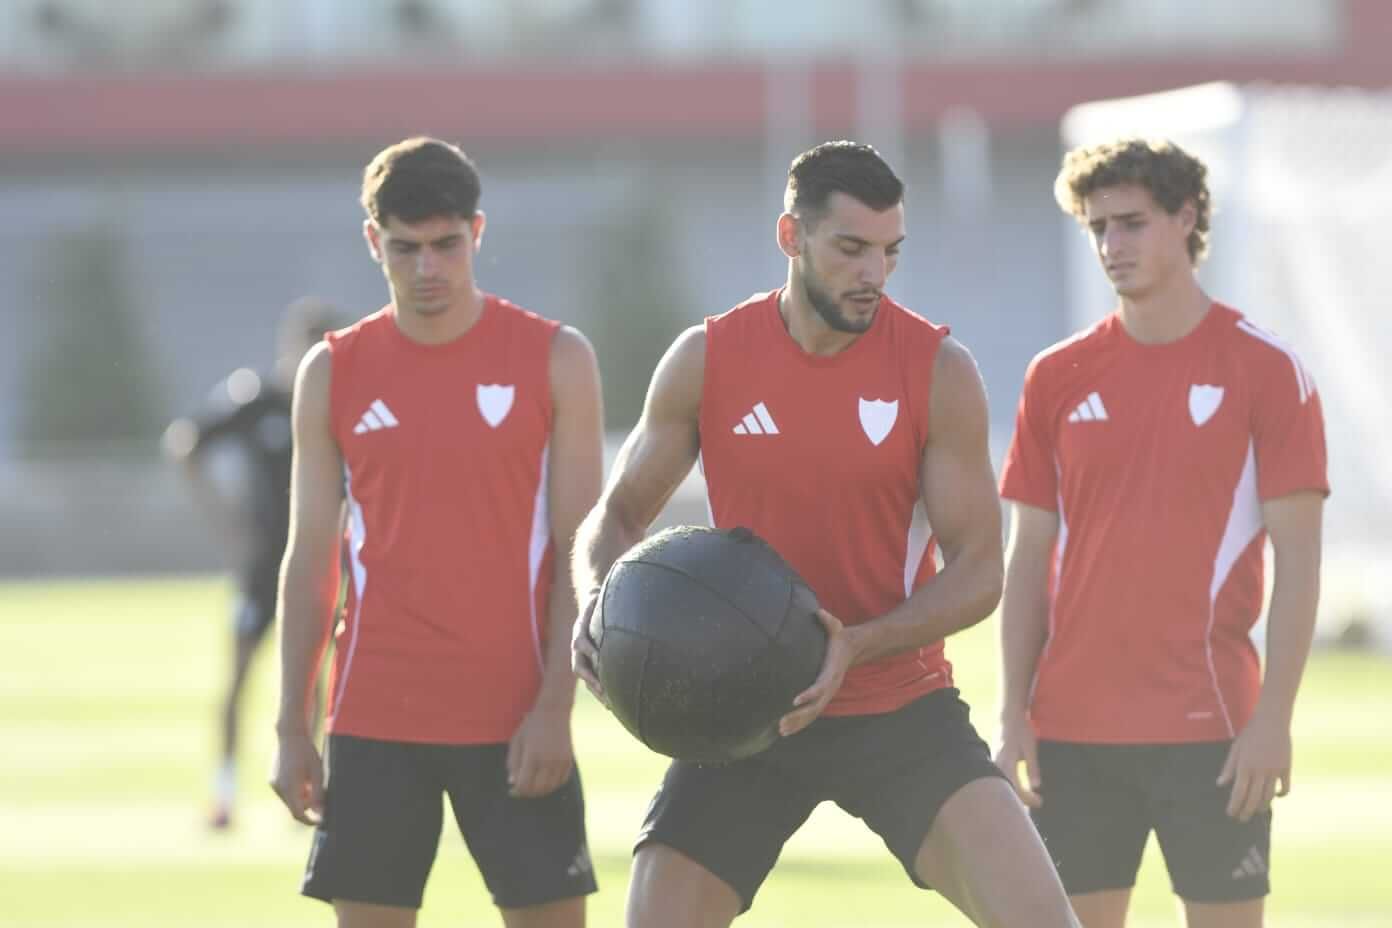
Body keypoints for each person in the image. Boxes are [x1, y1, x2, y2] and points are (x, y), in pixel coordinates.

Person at [571, 141, 1079, 928]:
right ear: (792, 237)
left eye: (889, 251)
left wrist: (856, 645)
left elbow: (981, 570)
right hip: (738, 705)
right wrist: (598, 602)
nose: (874, 272)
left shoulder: (937, 371)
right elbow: (615, 516)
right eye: (850, 248)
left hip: (897, 705)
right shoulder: (708, 359)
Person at [269, 137, 604, 928]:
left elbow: (583, 554)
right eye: (405, 247)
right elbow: (309, 558)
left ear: (477, 233)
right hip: (374, 714)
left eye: (447, 244)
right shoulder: (332, 371)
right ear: (373, 241)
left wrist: (556, 706)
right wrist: (291, 727)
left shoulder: (556, 358)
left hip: (516, 714)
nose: (428, 267)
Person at [995, 138, 1329, 928]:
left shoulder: (1266, 370)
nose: (1112, 245)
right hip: (1071, 731)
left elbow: (1301, 563)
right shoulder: (1055, 376)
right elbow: (1028, 556)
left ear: (1187, 218)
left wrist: (1273, 720)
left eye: (1132, 223)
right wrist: (1012, 715)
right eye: (1098, 227)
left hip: (1214, 730)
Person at [163, 296, 341, 829]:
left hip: (317, 564)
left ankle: (306, 788)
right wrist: (226, 522)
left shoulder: (338, 407)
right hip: (262, 565)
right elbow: (185, 444)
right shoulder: (257, 401)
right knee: (239, 678)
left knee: (315, 681)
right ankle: (223, 792)